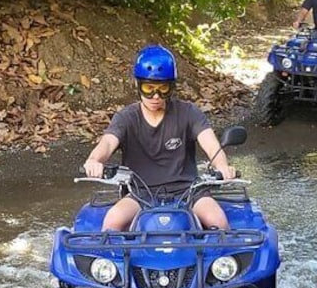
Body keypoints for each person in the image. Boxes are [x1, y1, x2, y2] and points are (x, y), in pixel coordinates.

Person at [83, 44, 237, 231]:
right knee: (113, 220)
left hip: (188, 190)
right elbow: (107, 143)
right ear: (137, 85)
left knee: (217, 220)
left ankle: (223, 261)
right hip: (140, 192)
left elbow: (212, 145)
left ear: (171, 87)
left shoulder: (189, 113)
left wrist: (222, 166)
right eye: (149, 88)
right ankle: (111, 262)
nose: (156, 96)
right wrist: (94, 160)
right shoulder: (126, 117)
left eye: (163, 88)